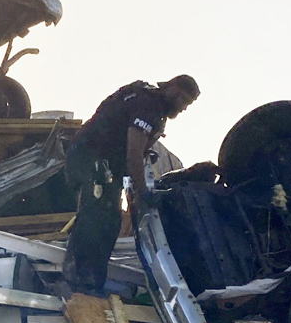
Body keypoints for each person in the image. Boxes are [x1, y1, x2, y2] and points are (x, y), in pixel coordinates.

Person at [60, 75, 200, 294]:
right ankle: (78, 281)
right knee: (100, 218)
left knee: (106, 218)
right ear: (173, 89)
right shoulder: (149, 106)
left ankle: (87, 280)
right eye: (184, 101)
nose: (183, 108)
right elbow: (133, 155)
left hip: (98, 160)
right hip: (95, 160)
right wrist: (142, 193)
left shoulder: (148, 100)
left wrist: (133, 185)